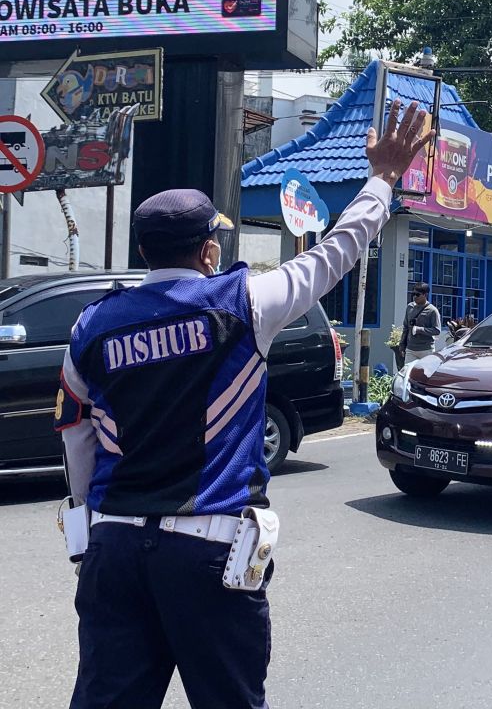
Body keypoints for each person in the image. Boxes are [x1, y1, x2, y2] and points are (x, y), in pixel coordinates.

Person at [56, 99, 433, 709]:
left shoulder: (91, 327)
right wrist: (384, 178)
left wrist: (87, 529)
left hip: (115, 548)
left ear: (148, 250)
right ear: (208, 252)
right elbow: (334, 253)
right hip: (209, 551)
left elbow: (77, 439)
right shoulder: (244, 303)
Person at [397, 282, 442, 365]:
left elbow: (437, 330)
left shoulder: (432, 310)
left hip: (426, 350)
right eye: (413, 294)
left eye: (417, 294)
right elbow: (406, 327)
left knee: (426, 375)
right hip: (411, 349)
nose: (414, 297)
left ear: (425, 295)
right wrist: (402, 345)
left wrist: (419, 330)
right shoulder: (410, 307)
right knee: (408, 373)